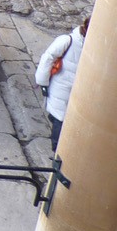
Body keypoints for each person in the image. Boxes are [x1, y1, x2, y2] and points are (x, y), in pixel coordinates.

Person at [35, 16, 89, 149]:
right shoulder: (67, 40)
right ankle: (57, 151)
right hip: (61, 87)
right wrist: (43, 82)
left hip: (76, 90)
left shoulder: (91, 46)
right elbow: (48, 58)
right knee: (60, 117)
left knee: (60, 117)